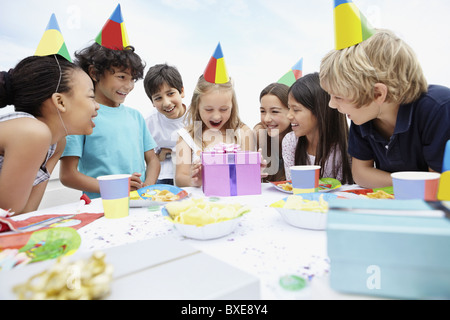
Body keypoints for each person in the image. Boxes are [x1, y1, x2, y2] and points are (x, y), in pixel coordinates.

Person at [319, 29, 450, 188]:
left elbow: (436, 184)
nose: (331, 104)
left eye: (338, 97)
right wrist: (410, 183)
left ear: (378, 93)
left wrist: (387, 181)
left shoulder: (439, 108)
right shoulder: (363, 115)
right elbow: (361, 174)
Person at [59, 43, 160, 199]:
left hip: (139, 203)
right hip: (101, 207)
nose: (129, 86)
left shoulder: (136, 117)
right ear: (94, 73)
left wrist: (148, 186)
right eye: (121, 77)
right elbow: (68, 175)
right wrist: (117, 187)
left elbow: (153, 160)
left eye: (132, 79)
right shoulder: (80, 117)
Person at [0, 55, 99, 214]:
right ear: (60, 102)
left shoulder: (57, 143)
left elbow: (27, 212)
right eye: (91, 97)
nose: (97, 106)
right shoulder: (31, 132)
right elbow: (8, 216)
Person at [175, 75, 255, 187]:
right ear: (197, 105)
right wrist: (194, 180)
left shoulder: (243, 133)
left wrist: (254, 170)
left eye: (224, 109)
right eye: (209, 109)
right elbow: (180, 178)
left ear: (232, 106)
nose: (216, 116)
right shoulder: (187, 136)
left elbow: (247, 176)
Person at [282, 72, 353, 185]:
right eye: (289, 108)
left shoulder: (346, 146)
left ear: (320, 112)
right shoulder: (290, 141)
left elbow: (342, 188)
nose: (289, 116)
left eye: (296, 109)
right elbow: (292, 185)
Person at [144, 64, 188, 185]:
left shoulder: (196, 116)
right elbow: (146, 157)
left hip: (189, 173)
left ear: (182, 91)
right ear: (152, 102)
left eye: (170, 94)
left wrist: (175, 152)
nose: (166, 103)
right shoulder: (149, 122)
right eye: (158, 98)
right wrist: (159, 156)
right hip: (163, 176)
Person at [253, 83, 292, 181]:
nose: (267, 119)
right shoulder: (258, 136)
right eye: (262, 111)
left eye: (274, 111)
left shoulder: (299, 139)